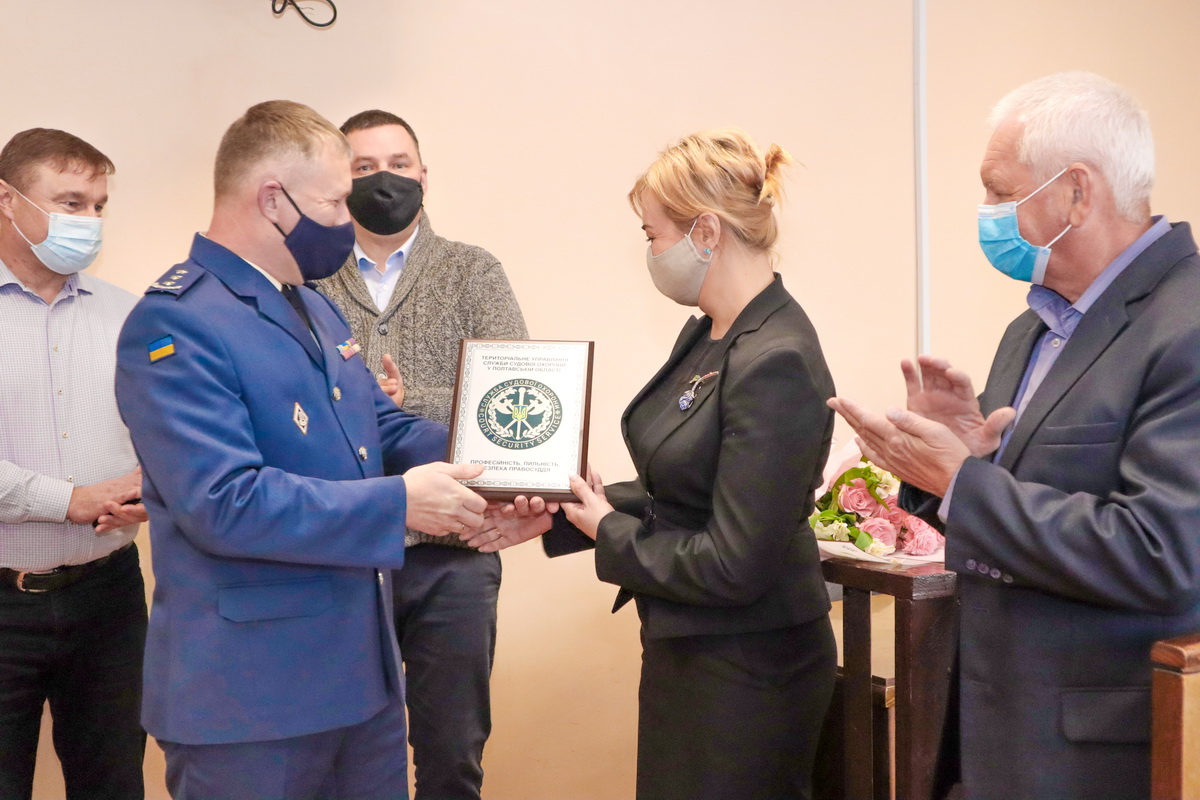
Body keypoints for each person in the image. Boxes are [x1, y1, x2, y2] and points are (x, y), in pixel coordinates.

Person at [829, 72, 1200, 800]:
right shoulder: (1029, 329)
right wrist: (961, 459)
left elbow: (1163, 553)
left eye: (1000, 193)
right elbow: (1008, 514)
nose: (987, 214)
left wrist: (964, 483)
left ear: (1077, 192)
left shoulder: (1185, 324)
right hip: (989, 734)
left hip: (1094, 754)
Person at [113, 100, 491, 800]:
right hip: (252, 699)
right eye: (336, 202)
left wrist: (506, 458)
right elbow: (224, 503)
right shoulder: (175, 323)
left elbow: (382, 429)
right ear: (272, 199)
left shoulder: (312, 304)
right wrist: (402, 504)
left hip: (361, 683)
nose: (350, 219)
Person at [482, 129, 838, 799]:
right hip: (692, 645)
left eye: (653, 235)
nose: (650, 252)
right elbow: (680, 489)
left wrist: (604, 530)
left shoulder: (776, 358)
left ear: (706, 231)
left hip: (750, 667)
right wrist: (566, 505)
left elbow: (733, 563)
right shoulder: (710, 331)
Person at [314, 108, 528, 800]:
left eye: (398, 165)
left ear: (424, 175)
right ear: (339, 180)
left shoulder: (473, 271)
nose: (384, 180)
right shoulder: (307, 280)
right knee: (343, 758)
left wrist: (410, 404)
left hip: (454, 559)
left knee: (451, 757)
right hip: (344, 554)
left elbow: (517, 403)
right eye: (364, 167)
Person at [0, 128, 150, 800]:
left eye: (98, 206)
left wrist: (155, 487)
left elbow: (163, 435)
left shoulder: (130, 316)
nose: (89, 221)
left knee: (114, 783)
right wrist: (70, 499)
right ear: (8, 201)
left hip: (109, 600)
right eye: (70, 203)